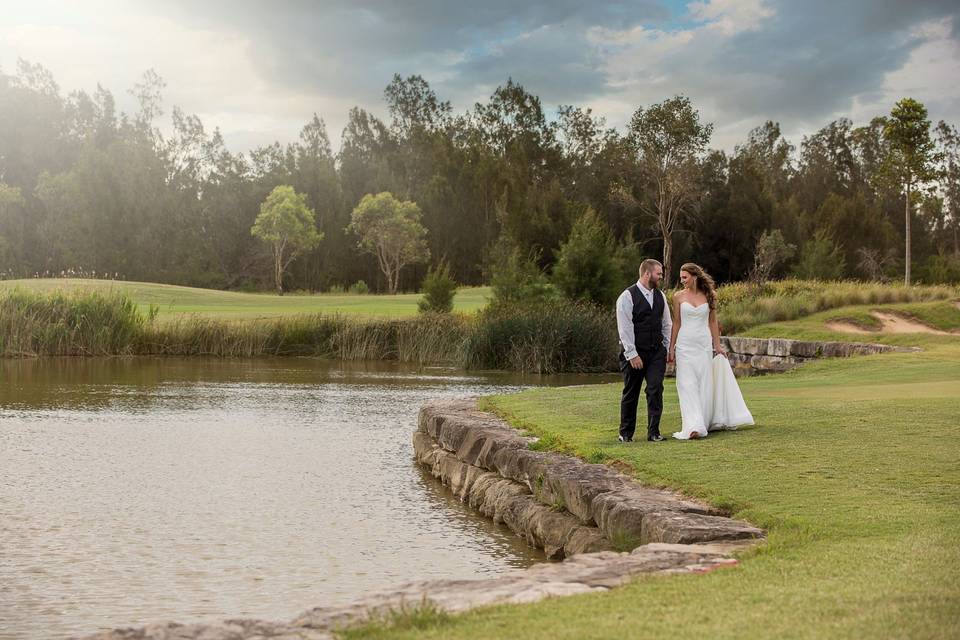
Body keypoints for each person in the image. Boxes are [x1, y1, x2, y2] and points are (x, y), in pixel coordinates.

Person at [668, 263, 754, 440]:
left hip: (703, 345)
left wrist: (717, 346)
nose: (682, 280)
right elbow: (676, 322)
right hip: (685, 345)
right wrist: (671, 347)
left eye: (685, 277)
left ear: (695, 276)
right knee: (686, 384)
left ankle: (703, 421)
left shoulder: (710, 295)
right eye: (681, 277)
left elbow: (713, 322)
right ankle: (693, 426)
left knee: (704, 383)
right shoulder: (677, 297)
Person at [615, 259, 672, 443]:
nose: (661, 277)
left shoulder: (660, 296)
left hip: (656, 352)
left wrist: (666, 346)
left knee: (656, 389)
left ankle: (654, 432)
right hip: (634, 352)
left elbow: (667, 324)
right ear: (647, 274)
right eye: (659, 274)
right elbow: (624, 328)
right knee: (631, 392)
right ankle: (625, 434)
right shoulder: (627, 296)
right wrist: (632, 354)